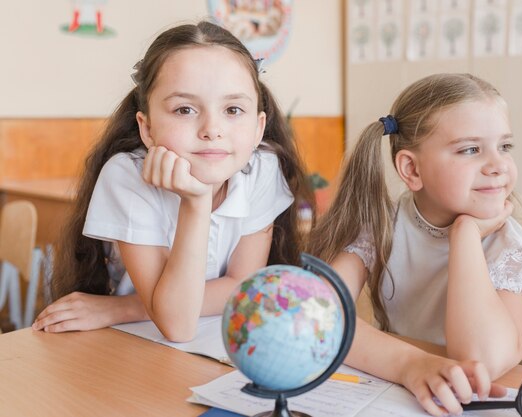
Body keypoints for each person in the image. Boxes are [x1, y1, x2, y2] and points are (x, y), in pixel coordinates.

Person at [32, 21, 314, 342]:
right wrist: (196, 203)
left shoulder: (261, 168)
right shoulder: (126, 176)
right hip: (129, 343)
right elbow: (177, 326)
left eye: (233, 109)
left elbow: (242, 283)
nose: (212, 129)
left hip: (217, 338)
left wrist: (120, 308)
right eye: (184, 109)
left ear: (258, 128)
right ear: (147, 128)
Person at [308, 73, 522, 415]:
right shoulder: (382, 226)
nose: (497, 165)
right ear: (411, 169)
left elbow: (479, 361)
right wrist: (409, 364)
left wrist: (465, 235)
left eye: (505, 146)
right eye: (470, 149)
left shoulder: (516, 251)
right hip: (396, 391)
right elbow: (316, 314)